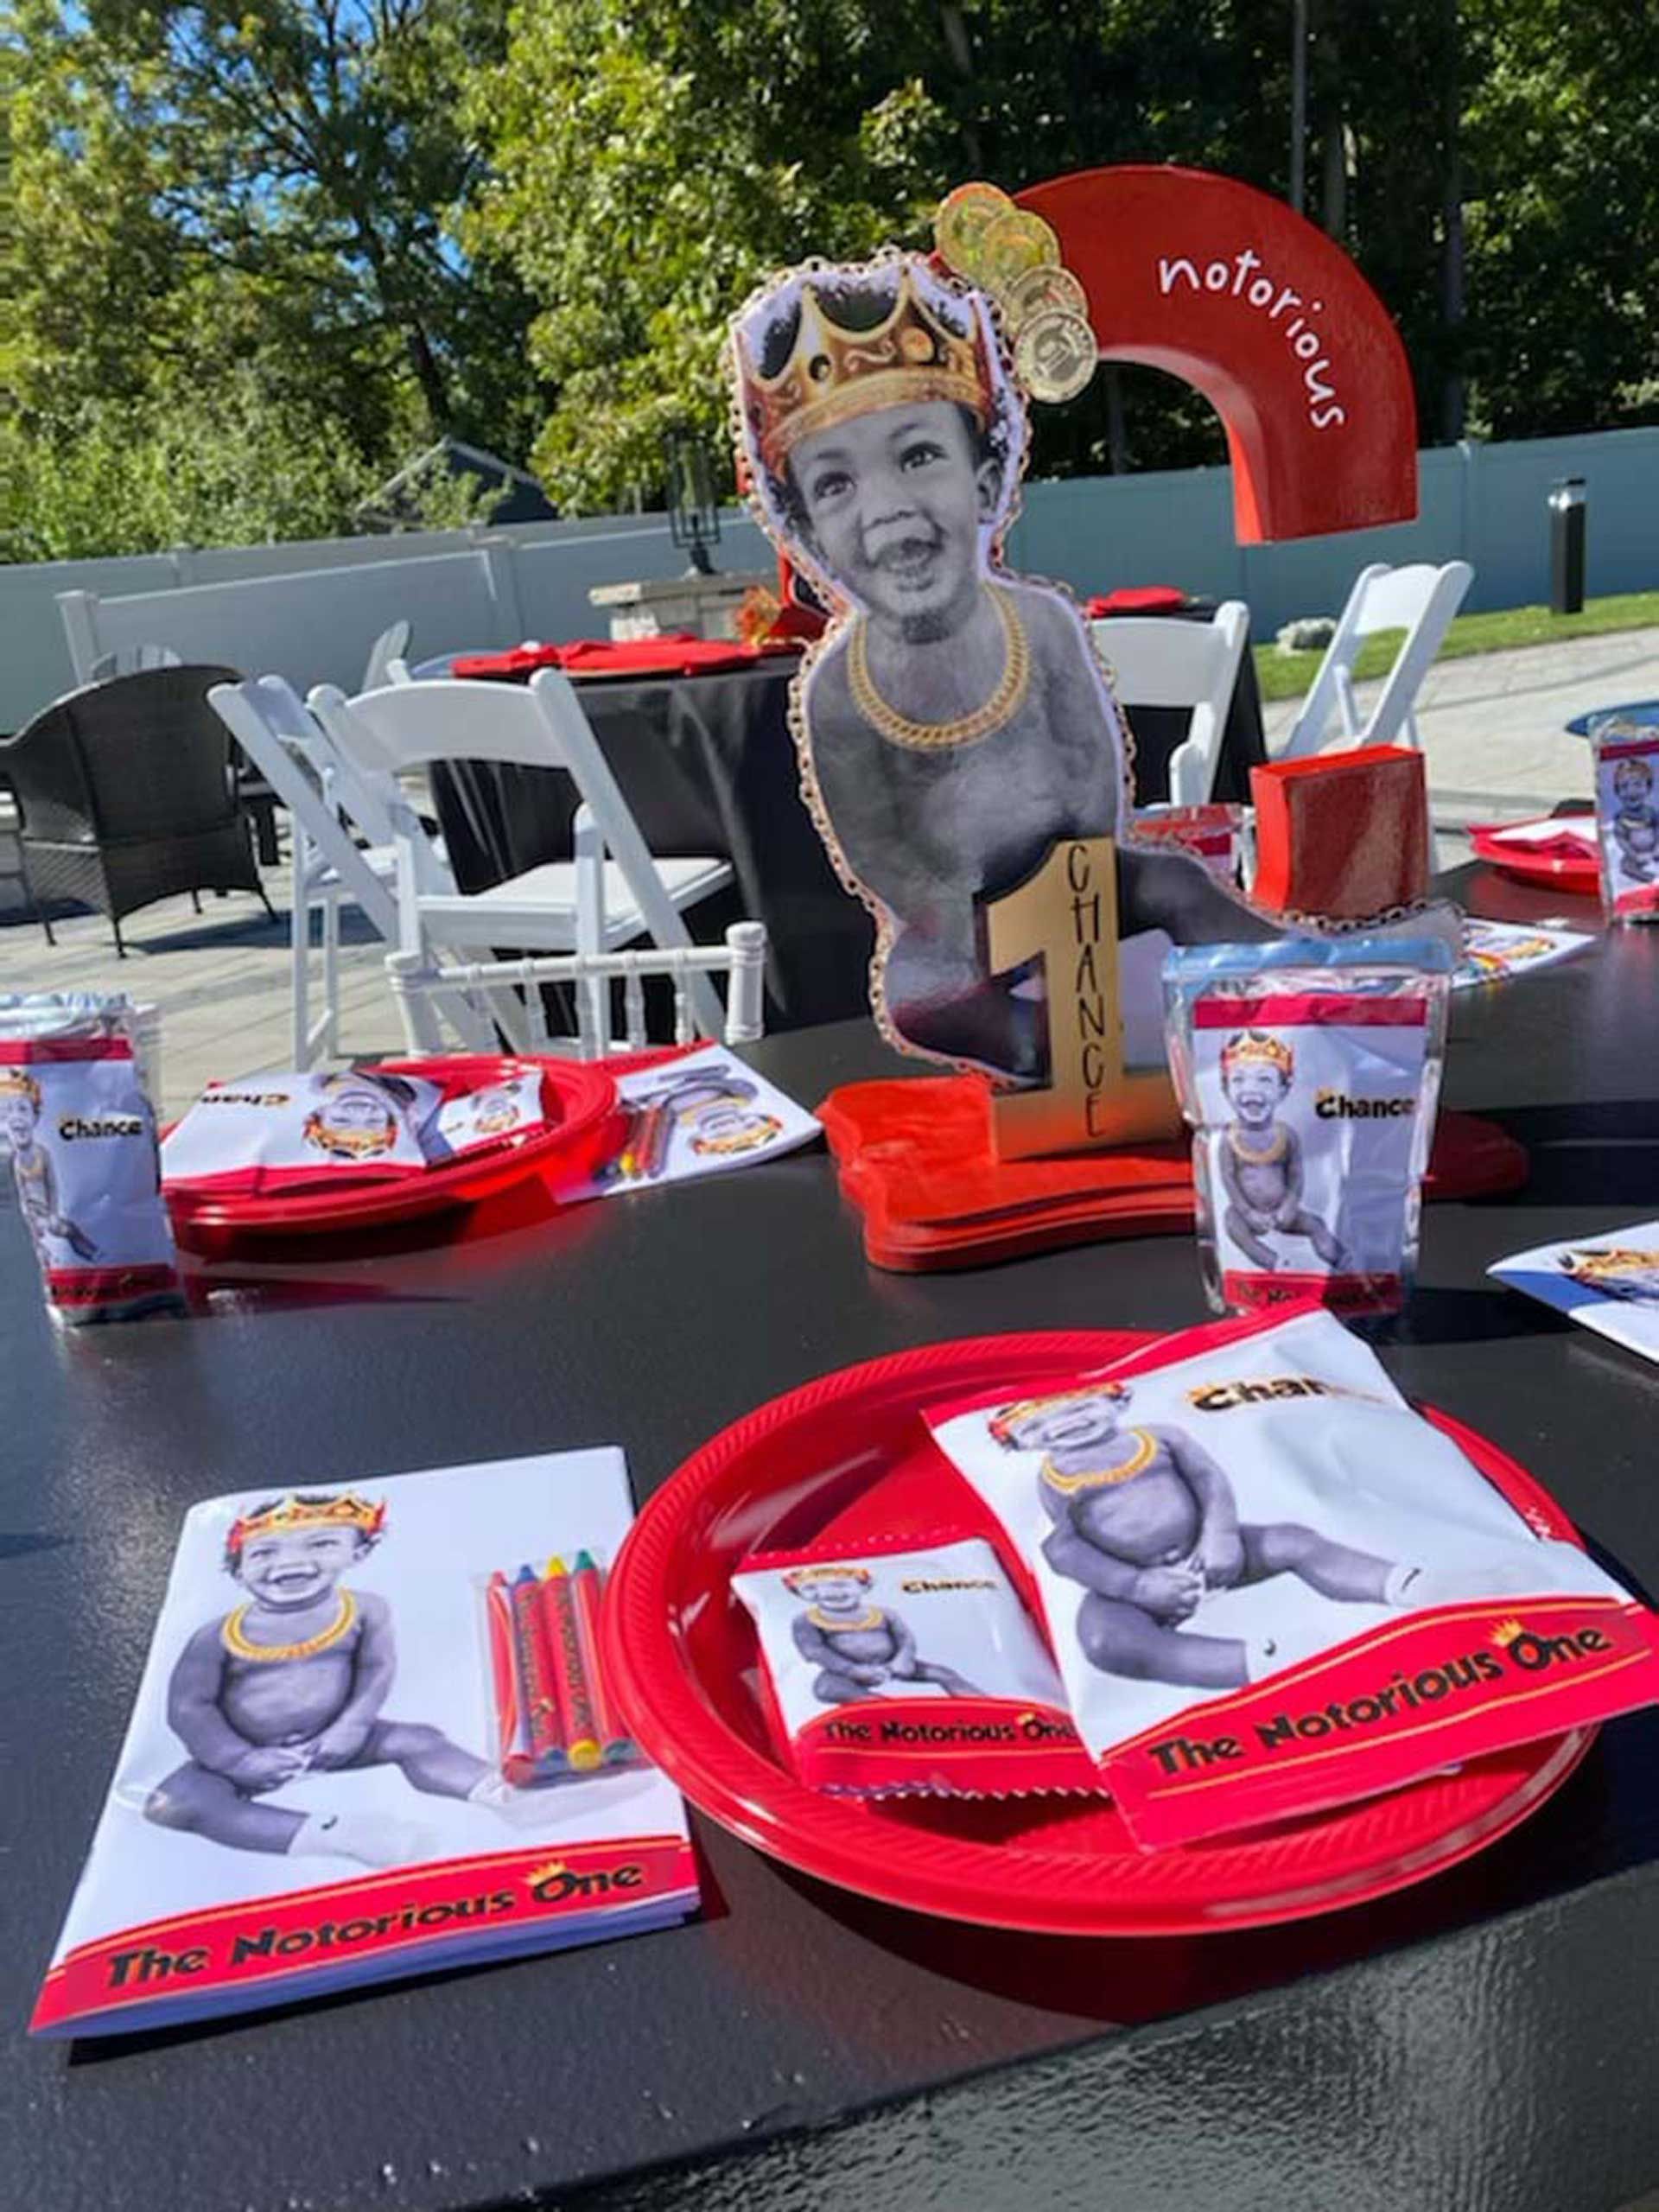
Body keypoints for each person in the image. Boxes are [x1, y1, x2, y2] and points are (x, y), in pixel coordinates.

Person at [732, 257, 1285, 1080]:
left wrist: (1068, 887)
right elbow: (882, 855)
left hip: (1077, 875)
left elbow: (1093, 777)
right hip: (953, 928)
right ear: (808, 536)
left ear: (987, 479)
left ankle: (1294, 988)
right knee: (932, 994)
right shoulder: (838, 692)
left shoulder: (1041, 625)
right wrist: (970, 917)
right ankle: (1049, 1051)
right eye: (838, 482)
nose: (885, 507)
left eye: (917, 456)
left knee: (1178, 883)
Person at [989, 1382, 1505, 1691]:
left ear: (1114, 1403)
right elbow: (1067, 1551)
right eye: (1044, 1427)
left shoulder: (1160, 1439)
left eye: (1080, 1408)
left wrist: (1219, 1539)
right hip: (1142, 1582)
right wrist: (1135, 1587)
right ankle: (1269, 1662)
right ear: (1024, 1444)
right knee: (1105, 1640)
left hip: (1215, 1553)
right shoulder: (1055, 1483)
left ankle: (1408, 1585)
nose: (1068, 1425)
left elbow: (1210, 1483)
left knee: (1293, 1541)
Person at [146, 1491, 531, 1868]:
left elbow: (375, 1670)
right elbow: (189, 1706)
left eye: (322, 1543)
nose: (292, 1562)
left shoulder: (366, 1609)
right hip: (246, 1752)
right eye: (264, 1552)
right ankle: (333, 1834)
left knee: (419, 1740)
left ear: (358, 1552)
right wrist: (239, 1759)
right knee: (176, 1802)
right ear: (237, 1568)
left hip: (342, 1738)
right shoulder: (215, 1635)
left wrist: (351, 1727)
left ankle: (501, 1792)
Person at [1216, 1030, 1348, 1273]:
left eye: (1264, 1080)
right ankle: (1275, 1262)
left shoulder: (1287, 1136)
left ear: (1283, 1090)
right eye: (1239, 1080)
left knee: (1316, 1224)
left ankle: (1342, 1260)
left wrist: (1289, 1205)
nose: (1251, 1088)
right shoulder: (1228, 1138)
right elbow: (1228, 1179)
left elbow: (1296, 1176)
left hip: (1283, 1210)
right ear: (1225, 1088)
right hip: (1247, 1214)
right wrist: (1247, 1211)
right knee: (1231, 1223)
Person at [785, 1564, 983, 1704]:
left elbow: (905, 1638)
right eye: (812, 1588)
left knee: (943, 1673)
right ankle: (882, 1708)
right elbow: (815, 1651)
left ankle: (983, 1705)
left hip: (893, 1664)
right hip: (844, 1671)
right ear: (801, 1593)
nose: (828, 1593)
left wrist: (902, 1660)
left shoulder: (884, 1613)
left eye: (840, 1584)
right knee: (826, 1689)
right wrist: (851, 1670)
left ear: (864, 1586)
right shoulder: (806, 1620)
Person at [2, 1068, 97, 1264]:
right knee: (33, 1246)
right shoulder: (8, 1158)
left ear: (35, 1116)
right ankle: (43, 1262)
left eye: (22, 1109)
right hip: (24, 1218)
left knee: (68, 1229)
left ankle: (95, 1255)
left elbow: (52, 1186)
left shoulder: (42, 1154)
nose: (16, 1118)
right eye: (6, 1112)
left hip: (44, 1213)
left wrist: (53, 1214)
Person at [302, 1071, 426, 1163]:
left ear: (316, 1121)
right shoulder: (410, 1095)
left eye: (341, 1120)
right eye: (373, 1121)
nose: (360, 1112)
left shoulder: (306, 1089)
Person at [1609, 756, 1659, 885]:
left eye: (1638, 784)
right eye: (1624, 787)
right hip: (1635, 853)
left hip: (1655, 848)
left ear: (1648, 788)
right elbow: (1622, 839)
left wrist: (1657, 848)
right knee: (1625, 866)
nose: (1631, 791)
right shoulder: (1621, 818)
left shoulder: (1651, 812)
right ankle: (1651, 878)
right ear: (1617, 792)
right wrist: (1633, 854)